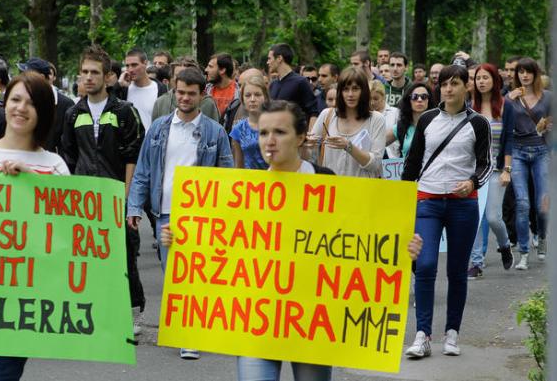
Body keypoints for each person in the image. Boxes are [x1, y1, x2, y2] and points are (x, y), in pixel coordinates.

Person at [159, 100, 423, 381]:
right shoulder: (242, 193)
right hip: (254, 323)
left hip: (312, 325)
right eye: (263, 133)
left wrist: (401, 249)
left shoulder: (326, 182)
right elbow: (219, 251)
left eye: (279, 133)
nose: (269, 142)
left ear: (300, 138)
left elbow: (358, 247)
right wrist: (182, 240)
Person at [0, 71, 70, 381]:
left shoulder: (54, 166)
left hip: (24, 300)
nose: (21, 108)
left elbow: (69, 231)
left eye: (31, 103)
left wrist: (31, 181)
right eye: (16, 99)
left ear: (43, 113)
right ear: (5, 103)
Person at [126, 67, 233, 360]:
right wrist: (134, 207)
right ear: (174, 91)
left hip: (201, 215)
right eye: (180, 92)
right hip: (165, 214)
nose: (184, 98)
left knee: (193, 276)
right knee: (172, 274)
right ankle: (188, 327)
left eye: (191, 93)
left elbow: (227, 176)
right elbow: (144, 171)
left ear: (202, 95)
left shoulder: (215, 131)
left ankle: (190, 334)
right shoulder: (159, 128)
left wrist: (223, 214)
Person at [402, 65, 492, 358]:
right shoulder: (427, 119)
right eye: (444, 84)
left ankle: (452, 333)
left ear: (467, 87)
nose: (449, 89)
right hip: (427, 200)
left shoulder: (478, 123)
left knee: (456, 271)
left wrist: (472, 181)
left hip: (463, 204)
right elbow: (413, 161)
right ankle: (422, 334)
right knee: (425, 265)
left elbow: (485, 162)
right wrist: (400, 198)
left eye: (455, 83)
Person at [62, 44, 146, 334]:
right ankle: (93, 309)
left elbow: (134, 155)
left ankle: (132, 311)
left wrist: (126, 196)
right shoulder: (73, 114)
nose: (88, 78)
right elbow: (69, 157)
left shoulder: (124, 111)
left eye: (94, 72)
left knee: (124, 253)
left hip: (116, 195)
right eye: (84, 72)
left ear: (108, 76)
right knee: (88, 255)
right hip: (85, 199)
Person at [466, 64, 515, 278]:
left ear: (495, 80)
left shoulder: (507, 106)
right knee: (475, 217)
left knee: (494, 217)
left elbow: (509, 139)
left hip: (496, 170)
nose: (482, 81)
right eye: (478, 78)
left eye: (486, 77)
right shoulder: (469, 107)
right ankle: (476, 263)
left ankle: (504, 245)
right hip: (474, 171)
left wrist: (507, 169)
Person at [504, 57, 551, 269]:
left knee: (542, 204)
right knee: (522, 203)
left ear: (535, 74)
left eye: (528, 72)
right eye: (520, 72)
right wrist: (508, 100)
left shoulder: (548, 97)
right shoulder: (510, 97)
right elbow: (500, 122)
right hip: (518, 152)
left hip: (542, 150)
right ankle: (523, 252)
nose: (524, 75)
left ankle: (542, 238)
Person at [310, 68, 385, 177]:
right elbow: (310, 154)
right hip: (332, 188)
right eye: (345, 89)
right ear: (340, 92)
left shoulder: (376, 119)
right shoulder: (327, 115)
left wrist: (348, 146)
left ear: (363, 91)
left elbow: (374, 164)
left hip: (363, 189)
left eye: (355, 89)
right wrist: (305, 143)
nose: (350, 94)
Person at [266, 43, 318, 127]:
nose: (267, 62)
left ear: (279, 58)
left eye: (269, 58)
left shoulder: (301, 82)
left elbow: (313, 112)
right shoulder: (273, 84)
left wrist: (310, 135)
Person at [385, 83, 436, 158]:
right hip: (408, 168)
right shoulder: (400, 127)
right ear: (408, 100)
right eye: (414, 97)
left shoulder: (437, 124)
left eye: (424, 97)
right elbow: (377, 144)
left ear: (429, 100)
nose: (419, 100)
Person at [230, 75, 270, 170]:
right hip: (250, 182)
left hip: (276, 181)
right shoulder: (238, 129)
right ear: (242, 99)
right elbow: (238, 166)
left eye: (257, 94)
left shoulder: (277, 125)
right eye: (248, 95)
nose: (252, 99)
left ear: (265, 97)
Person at [370, 79, 400, 158]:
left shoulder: (396, 113)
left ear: (383, 96)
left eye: (376, 99)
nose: (372, 102)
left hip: (393, 160)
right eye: (369, 99)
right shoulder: (365, 116)